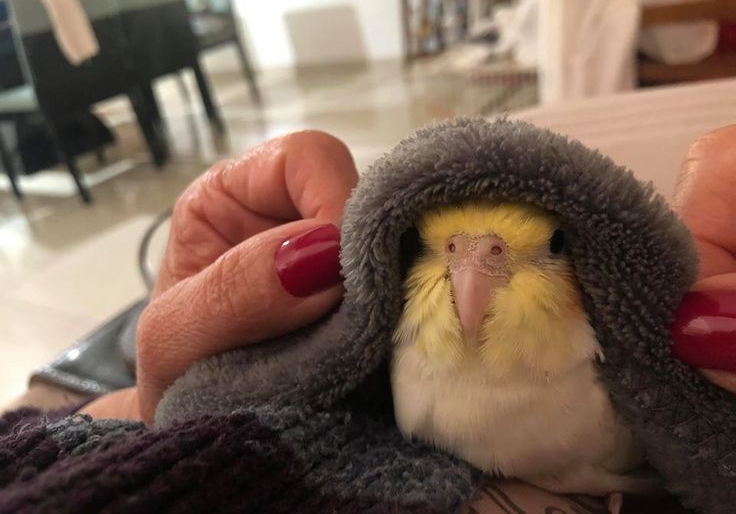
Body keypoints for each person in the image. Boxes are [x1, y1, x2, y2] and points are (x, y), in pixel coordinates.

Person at [2, 126, 735, 513]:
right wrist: (156, 403)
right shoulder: (400, 374)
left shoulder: (601, 401)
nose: (470, 280)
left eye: (538, 251)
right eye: (435, 253)